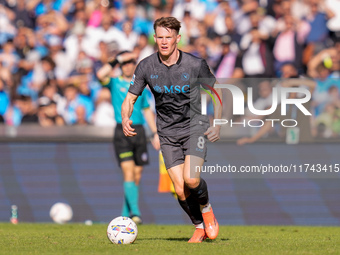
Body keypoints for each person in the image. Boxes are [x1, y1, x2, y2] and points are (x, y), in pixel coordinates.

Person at [121, 17, 222, 243]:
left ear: (178, 38)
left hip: (194, 127)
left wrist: (217, 123)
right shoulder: (146, 66)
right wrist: (125, 117)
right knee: (179, 188)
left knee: (191, 180)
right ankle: (198, 227)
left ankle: (207, 210)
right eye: (160, 37)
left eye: (169, 37)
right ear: (155, 38)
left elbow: (218, 93)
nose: (164, 42)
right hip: (167, 132)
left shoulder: (195, 64)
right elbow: (130, 98)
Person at [96, 51, 160, 224]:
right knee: (128, 172)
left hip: (139, 131)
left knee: (137, 175)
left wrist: (154, 133)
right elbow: (100, 74)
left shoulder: (140, 86)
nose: (128, 65)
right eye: (125, 63)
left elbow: (147, 110)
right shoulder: (114, 82)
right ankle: (136, 213)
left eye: (131, 62)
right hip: (122, 131)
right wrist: (116, 59)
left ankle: (125, 214)